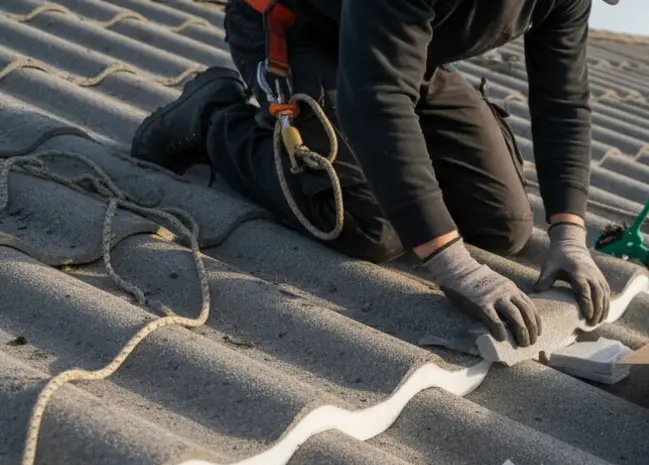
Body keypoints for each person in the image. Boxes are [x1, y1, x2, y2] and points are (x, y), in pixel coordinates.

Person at [130, 0, 618, 347]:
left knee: (503, 224)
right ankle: (211, 116)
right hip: (299, 31)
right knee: (368, 223)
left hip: (401, 51)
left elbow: (562, 102)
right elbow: (376, 99)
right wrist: (452, 263)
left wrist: (568, 234)